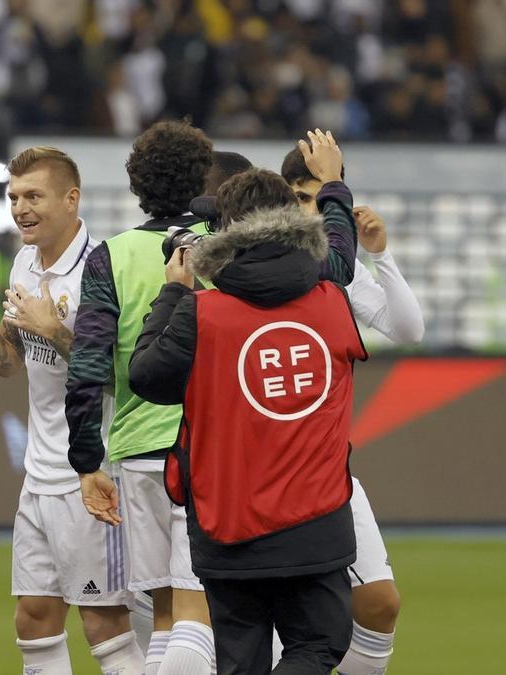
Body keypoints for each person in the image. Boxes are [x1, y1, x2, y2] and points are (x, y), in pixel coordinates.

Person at [128, 167, 366, 674]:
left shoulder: (200, 312)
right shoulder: (332, 303)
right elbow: (339, 256)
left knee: (241, 661)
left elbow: (146, 378)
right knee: (320, 645)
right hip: (315, 521)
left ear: (228, 232)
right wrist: (333, 190)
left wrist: (173, 292)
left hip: (227, 524)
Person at [0, 146, 141, 674]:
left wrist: (57, 332)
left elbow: (127, 380)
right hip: (39, 477)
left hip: (94, 473)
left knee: (104, 623)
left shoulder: (102, 270)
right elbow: (9, 360)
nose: (20, 208)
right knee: (34, 618)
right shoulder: (23, 260)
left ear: (72, 198)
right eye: (15, 197)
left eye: (34, 196)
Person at [65, 119, 218, 675]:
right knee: (203, 617)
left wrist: (87, 461)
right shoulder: (221, 247)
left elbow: (87, 366)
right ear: (204, 177)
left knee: (164, 621)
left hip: (137, 452)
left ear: (137, 186)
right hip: (210, 451)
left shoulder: (112, 256)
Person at [280, 146, 424, 674]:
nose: (309, 212)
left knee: (381, 602)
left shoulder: (341, 271)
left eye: (320, 199)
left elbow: (408, 329)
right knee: (284, 629)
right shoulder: (253, 267)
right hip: (262, 472)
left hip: (327, 470)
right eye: (298, 198)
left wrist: (380, 256)